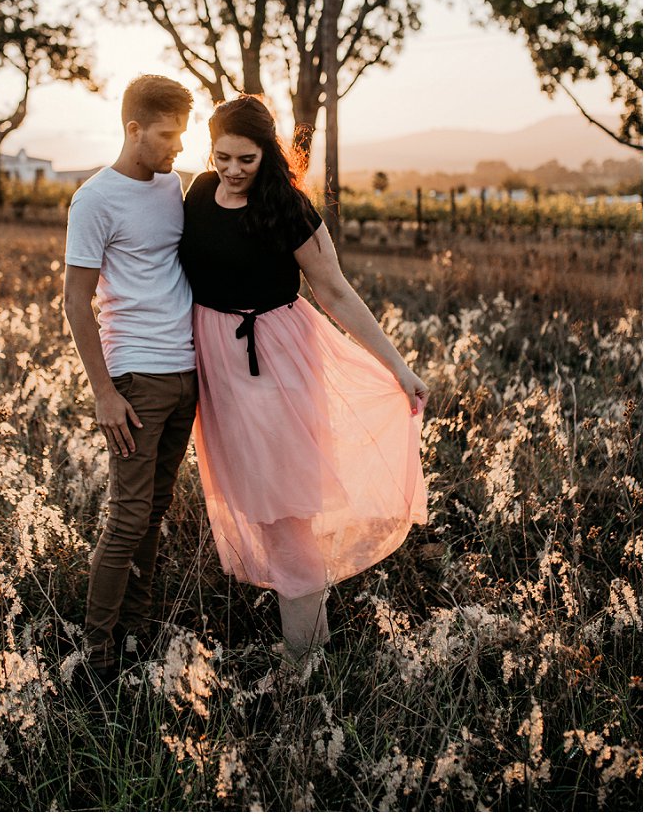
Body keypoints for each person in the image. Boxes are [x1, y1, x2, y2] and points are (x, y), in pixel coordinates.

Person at [179, 95, 429, 664]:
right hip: (220, 368)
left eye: (247, 158)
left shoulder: (288, 208)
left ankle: (306, 661)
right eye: (223, 157)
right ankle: (304, 645)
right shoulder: (196, 193)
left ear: (268, 153)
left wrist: (398, 364)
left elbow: (336, 291)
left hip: (277, 363)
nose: (234, 169)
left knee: (285, 510)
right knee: (261, 504)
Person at [64, 74, 198, 678]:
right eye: (168, 135)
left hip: (187, 373)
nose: (177, 147)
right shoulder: (95, 200)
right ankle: (96, 652)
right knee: (127, 515)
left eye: (182, 134)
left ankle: (137, 630)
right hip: (136, 377)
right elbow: (75, 300)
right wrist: (104, 392)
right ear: (133, 129)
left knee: (156, 508)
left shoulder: (176, 186)